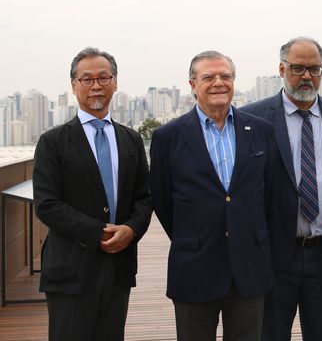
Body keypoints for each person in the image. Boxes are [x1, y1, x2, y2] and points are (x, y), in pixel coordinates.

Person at [150, 50, 278, 341]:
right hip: (195, 266)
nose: (218, 82)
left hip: (249, 268)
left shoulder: (260, 131)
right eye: (209, 77)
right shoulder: (167, 137)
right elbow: (162, 199)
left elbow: (268, 193)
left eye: (226, 76)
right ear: (193, 85)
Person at [242, 37, 322, 341]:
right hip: (275, 253)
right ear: (282, 69)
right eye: (297, 68)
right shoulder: (252, 117)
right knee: (270, 333)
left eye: (314, 69)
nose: (306, 76)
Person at [32, 47, 151, 341]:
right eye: (86, 79)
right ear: (74, 85)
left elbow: (145, 197)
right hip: (70, 269)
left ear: (115, 82)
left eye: (103, 77)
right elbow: (47, 204)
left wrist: (131, 229)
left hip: (118, 267)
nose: (96, 86)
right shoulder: (53, 142)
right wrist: (97, 231)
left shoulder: (130, 139)